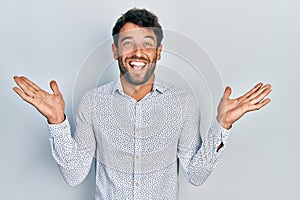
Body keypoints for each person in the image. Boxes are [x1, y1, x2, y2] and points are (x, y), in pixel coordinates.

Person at [13, 8, 271, 200]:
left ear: (158, 52)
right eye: (128, 43)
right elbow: (74, 175)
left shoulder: (182, 102)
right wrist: (56, 121)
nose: (138, 53)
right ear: (115, 51)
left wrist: (222, 125)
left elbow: (196, 173)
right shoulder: (92, 103)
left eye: (147, 44)